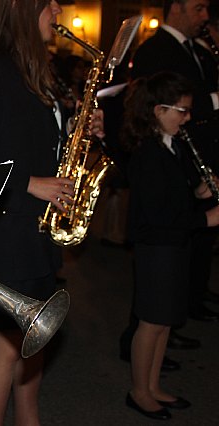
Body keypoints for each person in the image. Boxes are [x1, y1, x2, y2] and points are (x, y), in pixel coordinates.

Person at [0, 1, 104, 424]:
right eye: (48, 3)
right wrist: (30, 183)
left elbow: (23, 138)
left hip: (35, 228)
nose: (57, 10)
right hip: (7, 230)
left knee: (34, 340)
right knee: (7, 345)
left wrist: (76, 132)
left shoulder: (35, 70)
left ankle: (29, 419)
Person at [121, 71, 219, 420]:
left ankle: (152, 384)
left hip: (173, 244)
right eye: (182, 110)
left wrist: (198, 194)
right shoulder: (148, 153)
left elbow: (174, 201)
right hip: (156, 247)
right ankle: (139, 390)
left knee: (165, 322)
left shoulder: (172, 145)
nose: (187, 117)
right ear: (158, 110)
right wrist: (207, 219)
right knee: (151, 321)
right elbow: (158, 214)